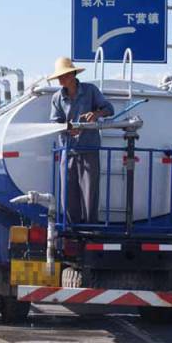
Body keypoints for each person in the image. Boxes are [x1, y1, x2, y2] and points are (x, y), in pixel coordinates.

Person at [48, 57, 114, 225]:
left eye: (63, 75)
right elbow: (54, 123)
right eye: (59, 77)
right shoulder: (57, 98)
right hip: (67, 151)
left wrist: (96, 114)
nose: (61, 79)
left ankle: (91, 226)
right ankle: (72, 227)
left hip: (89, 149)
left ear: (72, 74)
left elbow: (109, 109)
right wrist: (67, 128)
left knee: (90, 192)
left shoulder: (90, 91)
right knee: (68, 193)